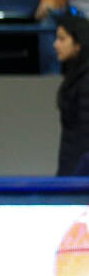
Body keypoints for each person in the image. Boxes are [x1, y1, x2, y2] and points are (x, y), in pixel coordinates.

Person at [54, 15, 89, 175]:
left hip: (80, 176)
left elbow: (85, 137)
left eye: (62, 39)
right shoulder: (75, 75)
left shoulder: (85, 81)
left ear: (78, 44)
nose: (55, 44)